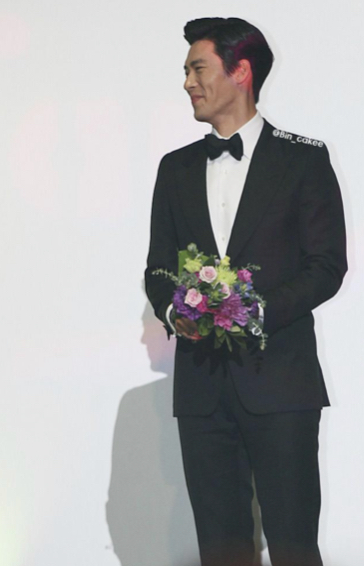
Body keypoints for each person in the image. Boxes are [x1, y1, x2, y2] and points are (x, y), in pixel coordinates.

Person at [145, 18, 347, 566]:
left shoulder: (304, 159)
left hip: (281, 383)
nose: (188, 82)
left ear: (241, 71)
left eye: (198, 68)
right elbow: (159, 268)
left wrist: (253, 312)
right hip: (202, 391)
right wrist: (174, 312)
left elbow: (327, 266)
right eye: (186, 71)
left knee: (293, 545)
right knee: (221, 549)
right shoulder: (175, 168)